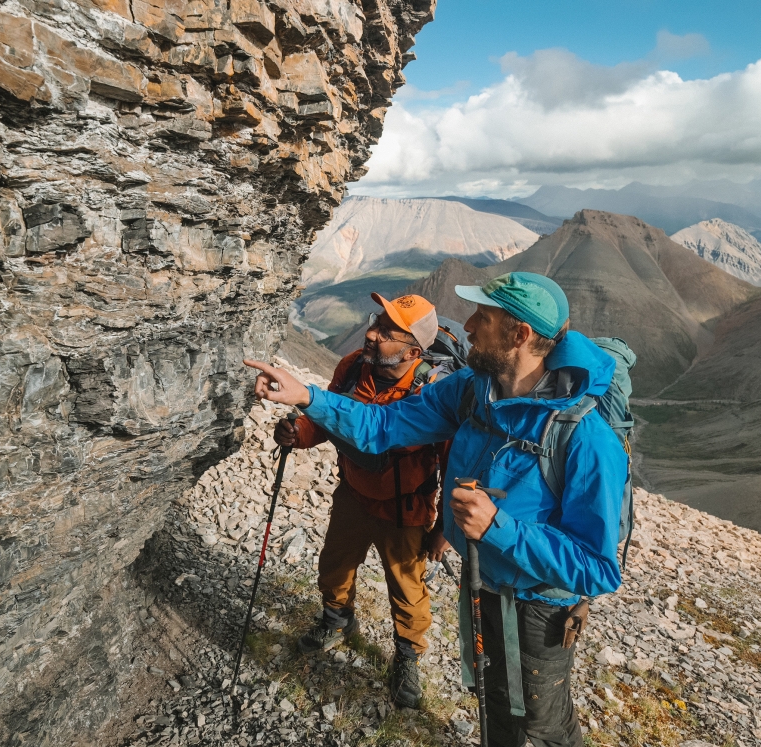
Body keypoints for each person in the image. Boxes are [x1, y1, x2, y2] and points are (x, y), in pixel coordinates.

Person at [246, 272, 626, 747]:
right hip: (483, 582)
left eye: (482, 318)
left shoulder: (587, 439)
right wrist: (307, 397)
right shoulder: (472, 389)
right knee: (491, 700)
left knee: (542, 724)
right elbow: (385, 425)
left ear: (519, 335)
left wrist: (496, 527)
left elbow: (597, 568)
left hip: (539, 607)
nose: (466, 325)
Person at [276, 292, 452, 709]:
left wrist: (444, 528)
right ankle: (337, 621)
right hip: (354, 493)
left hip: (406, 509)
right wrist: (297, 434)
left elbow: (454, 464)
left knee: (408, 590)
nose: (372, 333)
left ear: (413, 350)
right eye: (377, 322)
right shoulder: (354, 366)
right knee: (335, 563)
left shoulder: (435, 392)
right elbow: (327, 415)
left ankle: (407, 657)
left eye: (387, 331)